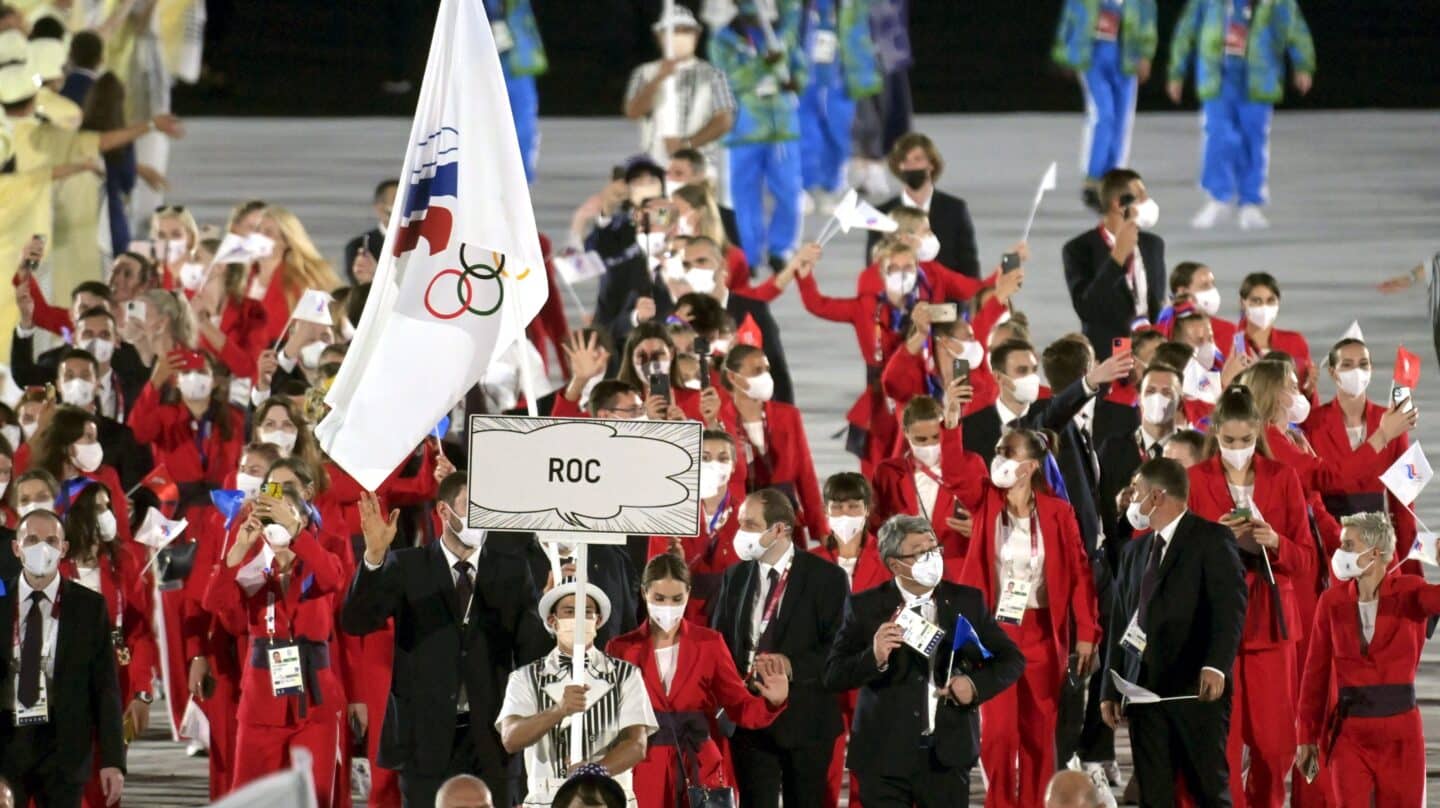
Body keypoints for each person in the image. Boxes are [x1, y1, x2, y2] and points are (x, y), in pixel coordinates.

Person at [343, 477, 551, 808]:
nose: (480, 515)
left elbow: (532, 652)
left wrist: (556, 617)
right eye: (471, 506)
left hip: (492, 738)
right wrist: (373, 557)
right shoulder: (408, 566)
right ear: (443, 510)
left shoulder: (511, 570)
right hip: (423, 739)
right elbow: (357, 622)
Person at [825, 514, 1025, 806]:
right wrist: (875, 656)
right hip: (884, 758)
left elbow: (1012, 660)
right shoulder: (865, 607)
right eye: (920, 552)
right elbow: (833, 675)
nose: (932, 558)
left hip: (946, 754)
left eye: (934, 548)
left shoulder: (966, 601)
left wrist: (974, 685)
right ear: (895, 564)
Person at [955, 426, 1100, 808]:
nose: (998, 458)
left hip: (1041, 633)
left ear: (1031, 466)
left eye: (1008, 452)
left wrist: (1087, 631)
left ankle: (1038, 802)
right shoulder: (986, 499)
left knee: (1038, 732)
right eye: (997, 450)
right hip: (993, 632)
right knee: (999, 734)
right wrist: (953, 423)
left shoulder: (1058, 512)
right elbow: (956, 471)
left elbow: (1081, 573)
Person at [1185, 385, 1311, 808]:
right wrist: (1215, 540)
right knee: (1221, 745)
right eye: (1229, 441)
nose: (1237, 449)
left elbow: (1308, 560)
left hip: (1270, 625)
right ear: (1216, 433)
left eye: (1245, 441)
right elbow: (1178, 556)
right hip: (1216, 628)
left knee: (1275, 748)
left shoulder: (1283, 478)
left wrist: (1275, 541)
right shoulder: (1196, 480)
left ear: (1258, 433)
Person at [1100, 458, 1247, 806]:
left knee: (1208, 790)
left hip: (1194, 691)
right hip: (1142, 692)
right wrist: (1109, 687)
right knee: (1154, 795)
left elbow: (1230, 607)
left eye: (1136, 492)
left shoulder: (1211, 538)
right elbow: (1121, 622)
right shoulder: (1135, 552)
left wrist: (1216, 665)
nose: (1131, 500)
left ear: (1156, 496)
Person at [201, 479, 345, 805]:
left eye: (285, 516)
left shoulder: (321, 559)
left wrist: (295, 532)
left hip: (314, 702)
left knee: (313, 797)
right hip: (261, 704)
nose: (276, 525)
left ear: (304, 521)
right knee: (251, 797)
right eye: (270, 519)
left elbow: (333, 578)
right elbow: (215, 604)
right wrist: (237, 549)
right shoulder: (254, 570)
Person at [607, 554, 788, 808]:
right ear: (644, 592)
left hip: (700, 764)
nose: (668, 607)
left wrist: (772, 703)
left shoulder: (710, 643)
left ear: (688, 594)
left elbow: (739, 706)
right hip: (642, 766)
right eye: (659, 598)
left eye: (676, 599)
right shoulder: (620, 648)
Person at [709, 489, 849, 808]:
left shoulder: (826, 577)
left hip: (806, 719)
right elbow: (720, 642)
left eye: (750, 525)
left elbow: (839, 648)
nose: (741, 534)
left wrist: (790, 665)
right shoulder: (735, 576)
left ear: (780, 529)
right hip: (750, 721)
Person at [1296, 512, 1440, 806]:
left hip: (1401, 735)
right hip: (1349, 734)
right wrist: (1305, 737)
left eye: (1348, 545)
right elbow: (1315, 674)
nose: (1340, 553)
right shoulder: (1332, 601)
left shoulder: (1409, 591)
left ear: (1374, 553)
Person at [1, 508, 127, 808]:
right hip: (6, 745)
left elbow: (106, 688)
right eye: (31, 539)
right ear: (16, 548)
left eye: (51, 540)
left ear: (64, 548)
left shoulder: (90, 607)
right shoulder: (1, 605)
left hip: (65, 748)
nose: (41, 548)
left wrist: (113, 761)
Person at [497, 581, 657, 806]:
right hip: (547, 800)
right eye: (570, 612)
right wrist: (559, 710)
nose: (579, 619)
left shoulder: (625, 675)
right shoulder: (525, 677)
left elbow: (637, 745)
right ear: (553, 621)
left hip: (610, 799)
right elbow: (511, 739)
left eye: (587, 612)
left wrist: (595, 771)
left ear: (598, 621)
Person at [1168, 0, 1314, 231]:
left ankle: (1250, 203)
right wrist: (1176, 71)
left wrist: (1303, 65)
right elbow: (1187, 29)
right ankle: (1218, 198)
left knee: (1254, 138)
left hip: (1259, 75)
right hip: (1218, 74)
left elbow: (1295, 29)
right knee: (1217, 134)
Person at [810, 471, 891, 808]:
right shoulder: (811, 561)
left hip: (871, 672)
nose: (845, 515)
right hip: (824, 673)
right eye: (837, 507)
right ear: (826, 511)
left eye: (853, 506)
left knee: (868, 758)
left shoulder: (888, 558)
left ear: (868, 509)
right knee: (822, 761)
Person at [710, 1, 808, 273]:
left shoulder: (783, 33)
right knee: (745, 197)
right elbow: (729, 80)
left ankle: (780, 249)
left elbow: (800, 65)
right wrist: (762, 65)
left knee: (789, 190)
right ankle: (750, 256)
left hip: (782, 128)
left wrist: (796, 81)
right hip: (744, 130)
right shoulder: (722, 40)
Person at [1303, 338, 1418, 545]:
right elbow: (1311, 490)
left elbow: (1404, 502)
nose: (1356, 371)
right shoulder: (1312, 423)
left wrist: (1408, 562)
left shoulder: (1391, 420)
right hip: (1330, 540)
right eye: (1346, 365)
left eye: (1363, 364)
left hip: (1379, 545)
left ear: (1371, 369)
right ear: (1332, 372)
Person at [1051, 0, 1158, 208]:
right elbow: (1071, 14)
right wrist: (1062, 49)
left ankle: (1113, 180)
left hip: (1126, 55)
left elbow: (1147, 18)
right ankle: (1092, 179)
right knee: (1103, 114)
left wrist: (1145, 54)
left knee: (1121, 120)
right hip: (1092, 54)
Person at [961, 338, 1130, 467]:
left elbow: (1057, 411)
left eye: (1034, 369)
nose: (1031, 377)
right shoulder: (971, 427)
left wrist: (1090, 381)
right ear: (998, 377)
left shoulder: (1049, 412)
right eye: (1022, 370)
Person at [719, 346, 824, 543]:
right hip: (741, 525)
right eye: (757, 371)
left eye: (766, 369)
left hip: (784, 522)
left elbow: (805, 474)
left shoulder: (788, 416)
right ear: (733, 378)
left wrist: (820, 529)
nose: (765, 377)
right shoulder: (719, 420)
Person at [1061, 168, 1166, 360]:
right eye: (1140, 196)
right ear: (1119, 204)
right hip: (1110, 357)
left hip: (1153, 354)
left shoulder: (1153, 245)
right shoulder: (1079, 249)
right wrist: (1117, 257)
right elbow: (1087, 309)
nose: (1148, 202)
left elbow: (1155, 302)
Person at [623, 5, 735, 168]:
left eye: (686, 31)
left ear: (696, 36)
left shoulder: (713, 75)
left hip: (700, 166)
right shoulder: (644, 73)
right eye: (674, 31)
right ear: (659, 36)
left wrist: (686, 146)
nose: (680, 36)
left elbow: (724, 121)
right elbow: (633, 112)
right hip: (654, 166)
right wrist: (659, 78)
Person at [797, 0, 879, 214]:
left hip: (839, 77)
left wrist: (863, 75)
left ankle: (829, 188)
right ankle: (803, 187)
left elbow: (861, 35)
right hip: (806, 76)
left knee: (839, 134)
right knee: (806, 133)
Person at [866, 132, 980, 278]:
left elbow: (969, 266)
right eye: (904, 160)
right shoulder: (882, 214)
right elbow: (872, 272)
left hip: (949, 298)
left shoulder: (955, 210)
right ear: (898, 166)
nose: (910, 166)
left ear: (931, 164)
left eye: (917, 159)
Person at [248, 206, 342, 345]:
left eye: (268, 233)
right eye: (256, 231)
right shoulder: (237, 280)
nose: (259, 237)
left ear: (286, 242)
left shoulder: (305, 282)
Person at [1234, 272, 1313, 394]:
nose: (1264, 307)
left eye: (1270, 300)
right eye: (1256, 301)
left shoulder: (1295, 342)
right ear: (1242, 303)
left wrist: (1309, 391)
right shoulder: (1231, 343)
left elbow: (1308, 402)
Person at [343, 179, 396, 285]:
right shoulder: (359, 246)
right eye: (397, 201)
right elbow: (358, 293)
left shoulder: (421, 244)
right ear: (380, 209)